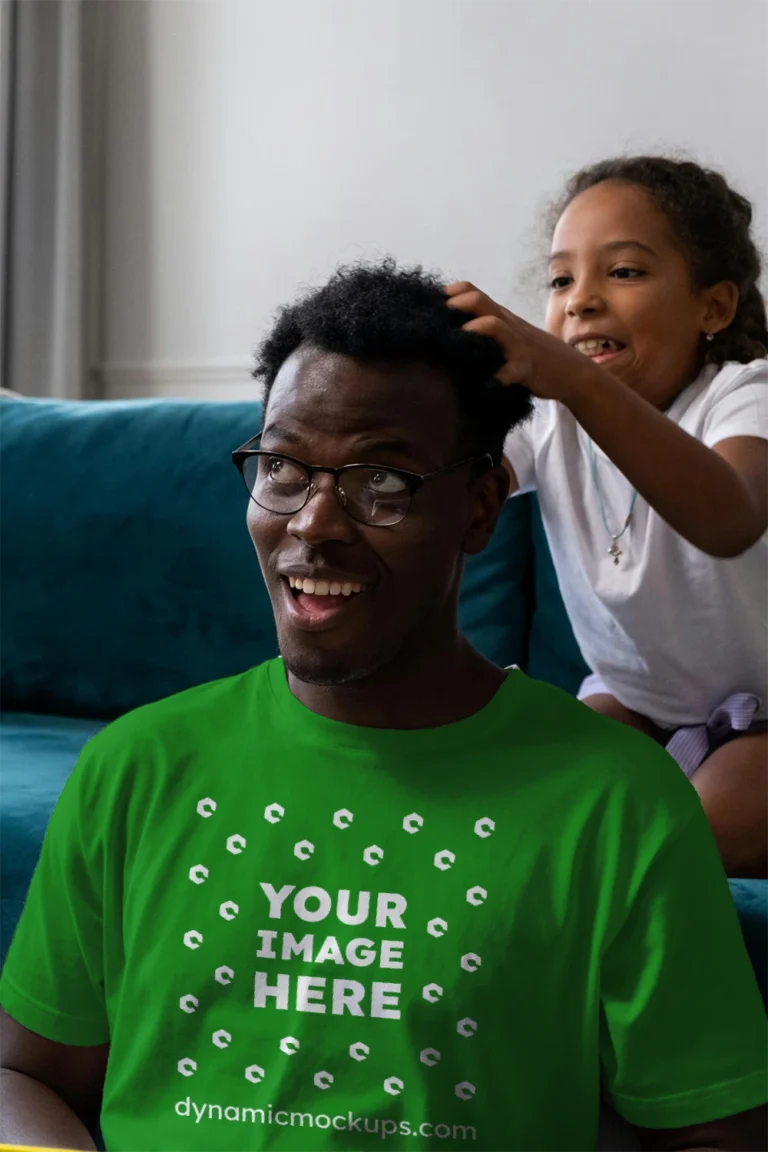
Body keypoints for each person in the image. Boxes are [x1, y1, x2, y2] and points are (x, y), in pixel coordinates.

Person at [1, 260, 768, 1152]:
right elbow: (24, 1075)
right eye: (284, 467)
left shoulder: (619, 802)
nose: (315, 522)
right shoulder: (134, 768)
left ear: (481, 508)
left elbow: (715, 1135)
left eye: (382, 482)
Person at [446, 156, 768, 880]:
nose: (580, 300)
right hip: (637, 702)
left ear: (712, 308)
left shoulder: (745, 394)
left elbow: (731, 518)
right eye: (561, 280)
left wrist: (574, 380)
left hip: (765, 719)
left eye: (622, 272)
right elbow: (462, 487)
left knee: (687, 845)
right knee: (523, 814)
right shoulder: (547, 416)